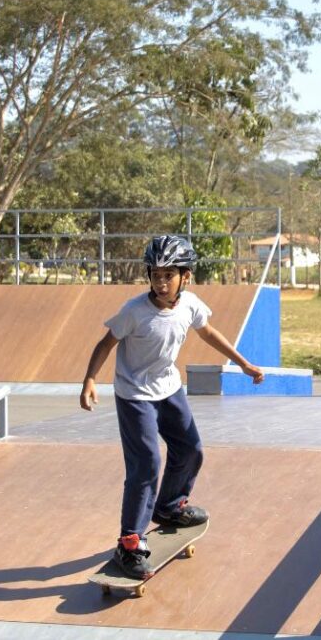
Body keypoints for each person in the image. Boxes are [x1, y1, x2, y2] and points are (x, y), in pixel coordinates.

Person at [80, 234, 264, 579]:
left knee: (191, 449)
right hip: (135, 394)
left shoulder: (191, 304)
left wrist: (242, 362)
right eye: (155, 275)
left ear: (185, 277)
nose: (161, 283)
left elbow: (208, 332)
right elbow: (105, 343)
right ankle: (130, 543)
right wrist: (89, 380)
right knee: (147, 463)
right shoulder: (134, 312)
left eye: (169, 275)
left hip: (168, 388)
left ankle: (168, 506)